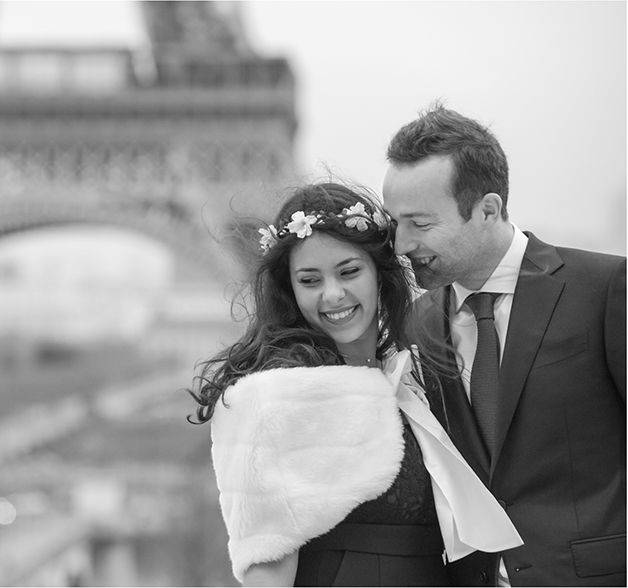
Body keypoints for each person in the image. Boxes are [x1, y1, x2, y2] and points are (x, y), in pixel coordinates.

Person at [189, 182, 522, 586]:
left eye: (349, 272)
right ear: (290, 290)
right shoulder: (277, 399)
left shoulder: (413, 375)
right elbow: (266, 571)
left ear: (380, 274)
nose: (333, 295)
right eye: (310, 280)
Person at [382, 104, 626, 587]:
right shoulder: (413, 323)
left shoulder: (606, 288)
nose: (400, 245)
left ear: (488, 209)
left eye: (420, 224)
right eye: (395, 222)